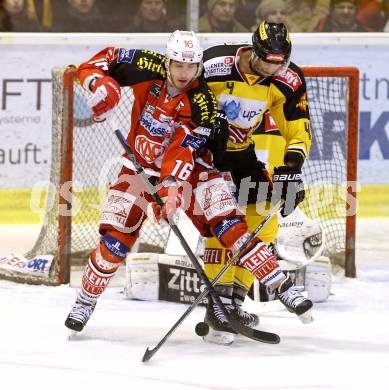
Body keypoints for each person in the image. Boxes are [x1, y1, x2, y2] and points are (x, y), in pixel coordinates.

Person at [64, 29, 312, 344]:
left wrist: (170, 189)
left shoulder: (203, 102)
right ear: (168, 60)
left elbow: (183, 149)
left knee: (229, 224)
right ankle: (84, 302)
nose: (184, 73)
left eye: (191, 67)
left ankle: (280, 288)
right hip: (138, 168)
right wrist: (98, 85)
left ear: (199, 68)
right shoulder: (147, 64)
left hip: (192, 168)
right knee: (116, 241)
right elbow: (103, 60)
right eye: (178, 65)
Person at [202, 21, 313, 340]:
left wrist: (291, 167)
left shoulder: (288, 80)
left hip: (241, 153)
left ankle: (234, 302)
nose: (274, 69)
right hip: (203, 154)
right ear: (254, 50)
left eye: (281, 63)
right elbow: (183, 103)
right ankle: (217, 302)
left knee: (263, 222)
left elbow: (298, 126)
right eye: (268, 61)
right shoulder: (214, 64)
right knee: (225, 222)